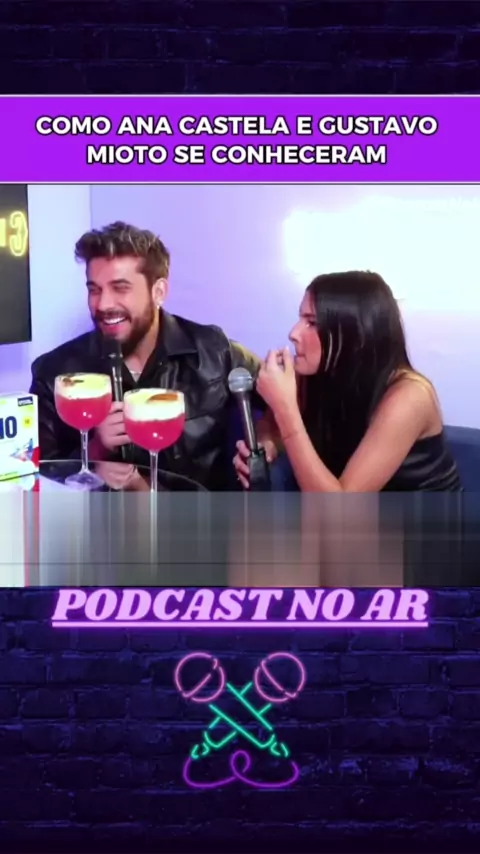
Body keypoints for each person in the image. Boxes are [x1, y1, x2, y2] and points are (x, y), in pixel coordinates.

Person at [30, 221, 262, 490]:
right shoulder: (54, 372)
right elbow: (34, 474)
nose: (103, 304)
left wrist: (266, 441)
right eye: (94, 289)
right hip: (103, 518)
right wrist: (95, 451)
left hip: (203, 514)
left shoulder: (213, 350)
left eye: (120, 288)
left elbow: (281, 399)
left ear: (158, 292)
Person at [234, 271, 462, 492]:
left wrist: (285, 408)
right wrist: (266, 444)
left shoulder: (410, 397)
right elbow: (270, 425)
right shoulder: (309, 374)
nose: (294, 333)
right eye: (300, 318)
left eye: (312, 322)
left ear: (356, 335)